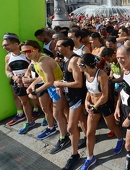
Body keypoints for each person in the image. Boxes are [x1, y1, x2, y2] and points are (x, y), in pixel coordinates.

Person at [23, 40, 70, 154]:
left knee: (57, 114)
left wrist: (34, 91)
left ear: (37, 49)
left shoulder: (44, 61)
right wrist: (33, 84)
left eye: (29, 51)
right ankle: (68, 132)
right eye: (23, 52)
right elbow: (42, 76)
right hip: (54, 87)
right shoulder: (35, 60)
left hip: (58, 87)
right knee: (61, 112)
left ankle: (64, 137)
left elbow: (49, 81)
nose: (26, 54)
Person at [78, 53, 123, 170]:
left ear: (86, 65)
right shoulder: (85, 73)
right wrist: (87, 101)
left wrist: (94, 107)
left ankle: (120, 139)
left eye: (79, 65)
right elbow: (89, 90)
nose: (78, 67)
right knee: (89, 133)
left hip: (103, 105)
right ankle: (90, 157)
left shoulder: (101, 75)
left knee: (112, 126)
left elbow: (104, 96)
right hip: (93, 106)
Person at [54, 38, 87, 170]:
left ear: (68, 47)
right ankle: (89, 139)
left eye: (59, 46)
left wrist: (60, 83)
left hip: (77, 97)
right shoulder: (67, 59)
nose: (56, 48)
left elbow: (78, 83)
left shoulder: (74, 60)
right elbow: (70, 78)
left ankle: (74, 155)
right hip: (70, 96)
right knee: (82, 120)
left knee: (71, 128)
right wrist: (62, 83)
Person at [3, 33, 34, 133]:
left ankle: (47, 118)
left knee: (38, 101)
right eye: (3, 45)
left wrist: (28, 77)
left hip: (30, 81)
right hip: (18, 82)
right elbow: (7, 70)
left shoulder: (26, 53)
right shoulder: (8, 57)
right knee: (24, 102)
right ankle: (29, 121)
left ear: (16, 44)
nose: (4, 47)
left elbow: (35, 65)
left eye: (6, 45)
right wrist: (14, 77)